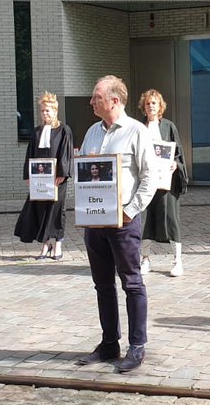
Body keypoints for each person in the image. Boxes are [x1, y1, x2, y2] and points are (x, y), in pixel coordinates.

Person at [74, 75, 156, 374]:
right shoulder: (92, 132)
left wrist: (131, 211)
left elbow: (150, 177)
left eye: (96, 97)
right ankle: (110, 343)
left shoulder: (137, 131)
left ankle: (137, 346)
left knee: (131, 282)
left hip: (123, 222)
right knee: (102, 285)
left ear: (114, 101)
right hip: (94, 222)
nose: (91, 102)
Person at [14, 91, 73, 261]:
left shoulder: (63, 130)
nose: (45, 113)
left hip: (57, 179)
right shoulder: (37, 132)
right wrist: (29, 175)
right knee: (40, 210)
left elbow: (65, 154)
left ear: (55, 111)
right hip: (40, 179)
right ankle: (46, 244)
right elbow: (30, 154)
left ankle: (58, 244)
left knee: (56, 210)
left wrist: (62, 173)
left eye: (48, 110)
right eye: (42, 111)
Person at [137, 89, 189, 277]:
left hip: (167, 181)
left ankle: (177, 260)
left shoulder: (169, 127)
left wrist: (176, 164)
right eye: (148, 103)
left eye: (154, 103)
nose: (151, 106)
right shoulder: (139, 128)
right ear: (144, 106)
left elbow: (178, 152)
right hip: (147, 181)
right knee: (148, 220)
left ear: (160, 107)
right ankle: (145, 259)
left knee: (172, 219)